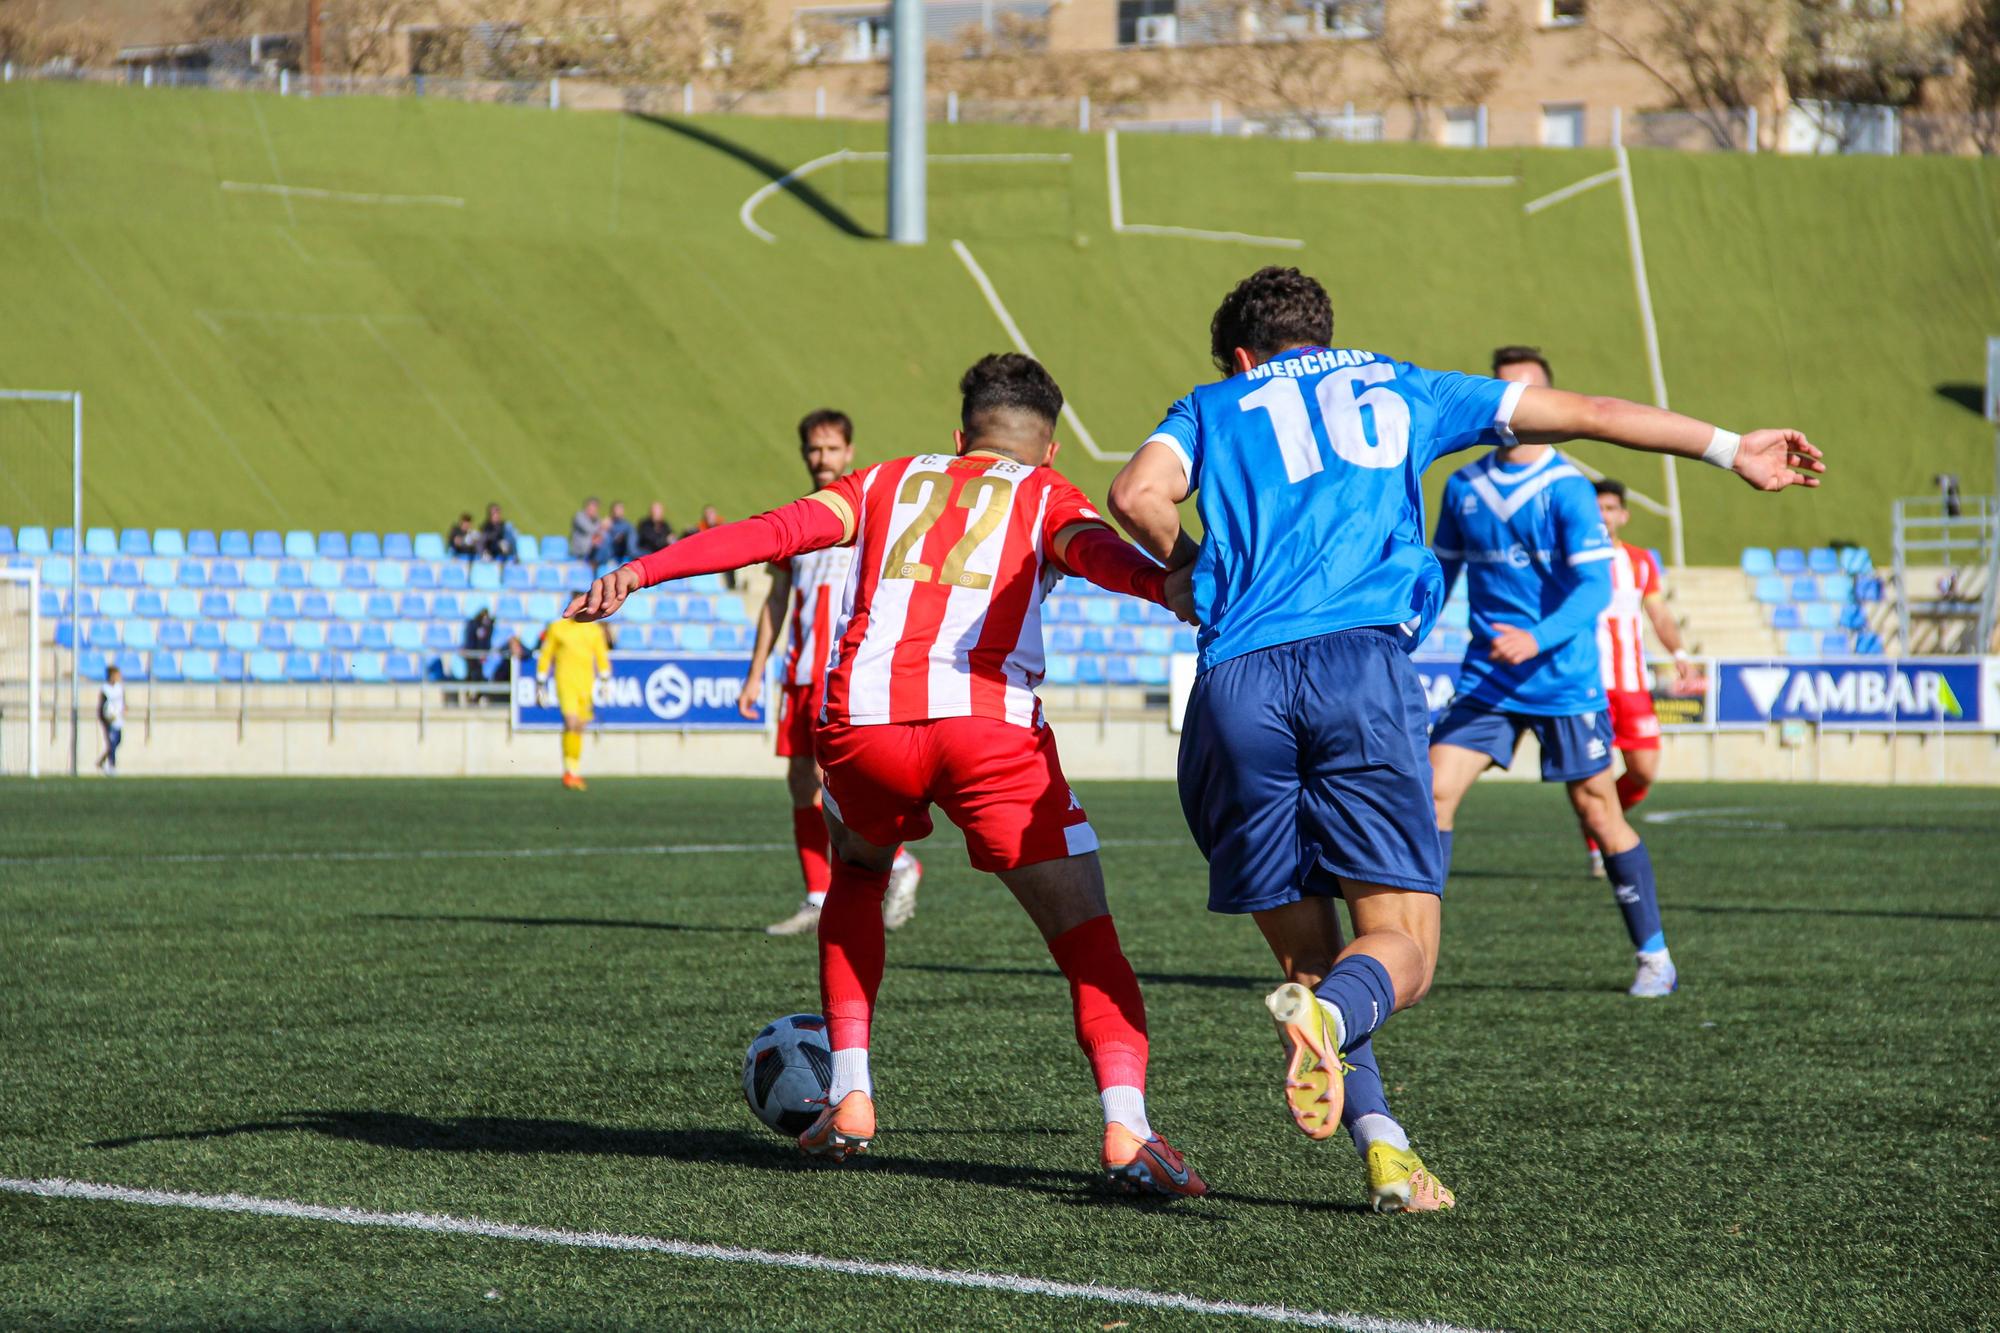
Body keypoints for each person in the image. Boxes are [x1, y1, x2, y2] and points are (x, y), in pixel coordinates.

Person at [1105, 268, 1821, 1210]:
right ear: (1323, 335)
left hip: (1235, 685)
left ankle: (1386, 1148)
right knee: (1400, 948)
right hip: (1357, 671)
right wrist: (1733, 448)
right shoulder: (1404, 385)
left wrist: (1198, 574)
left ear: (1241, 356)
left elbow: (1134, 495)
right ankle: (1334, 1034)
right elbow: (1593, 412)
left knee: (1310, 957)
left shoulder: (1209, 402)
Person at [571, 353, 1207, 1197]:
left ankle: (852, 1096)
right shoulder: (1050, 495)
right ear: (1048, 449)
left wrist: (642, 570)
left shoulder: (883, 480)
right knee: (1087, 936)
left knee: (859, 878)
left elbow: (773, 532)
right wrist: (1173, 587)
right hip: (987, 734)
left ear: (959, 435)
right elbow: (1100, 556)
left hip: (863, 726)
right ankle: (1126, 1125)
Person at [1428, 347, 1677, 998]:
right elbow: (1441, 575)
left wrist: (1534, 637)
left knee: (1598, 810)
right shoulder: (1463, 486)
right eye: (1502, 392)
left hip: (1563, 679)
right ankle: (1412, 949)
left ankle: (1654, 956)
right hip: (1486, 678)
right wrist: (1397, 636)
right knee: (1433, 794)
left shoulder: (1568, 488)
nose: (1513, 407)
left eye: (1525, 393)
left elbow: (1596, 589)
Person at [740, 408, 923, 937]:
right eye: (813, 450)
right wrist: (756, 673)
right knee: (800, 781)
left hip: (841, 669)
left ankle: (901, 861)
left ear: (848, 452)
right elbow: (777, 599)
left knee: (829, 779)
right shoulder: (797, 519)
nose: (821, 459)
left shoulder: (867, 511)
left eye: (830, 449)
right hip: (798, 673)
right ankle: (817, 897)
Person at [1583, 477, 1701, 878]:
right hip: (1587, 684)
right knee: (1592, 772)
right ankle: (1600, 839)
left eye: (1611, 508)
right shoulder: (1572, 556)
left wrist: (1680, 654)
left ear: (1623, 515)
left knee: (1644, 771)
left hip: (1631, 684)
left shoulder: (1639, 561)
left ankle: (1596, 823)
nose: (1604, 515)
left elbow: (1659, 614)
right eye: (1597, 508)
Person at [536, 596, 611, 790]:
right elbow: (547, 653)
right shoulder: (557, 628)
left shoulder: (593, 630)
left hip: (585, 683)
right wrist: (541, 681)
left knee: (579, 726)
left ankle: (574, 769)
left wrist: (604, 679)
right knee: (570, 722)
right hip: (565, 681)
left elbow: (600, 654)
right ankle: (569, 771)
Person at [96, 665, 124, 776]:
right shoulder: (105, 689)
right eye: (116, 675)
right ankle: (111, 766)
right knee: (111, 744)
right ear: (111, 676)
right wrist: (105, 718)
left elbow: (122, 700)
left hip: (118, 719)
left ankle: (102, 761)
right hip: (108, 721)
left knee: (118, 741)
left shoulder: (119, 687)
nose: (119, 677)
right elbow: (103, 706)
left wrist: (125, 707)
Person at [570, 497, 604, 563]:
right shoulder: (579, 516)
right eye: (592, 508)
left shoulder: (596, 519)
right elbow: (589, 529)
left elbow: (601, 532)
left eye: (595, 508)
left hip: (592, 548)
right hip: (580, 549)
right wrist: (601, 526)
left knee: (605, 539)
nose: (594, 510)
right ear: (587, 507)